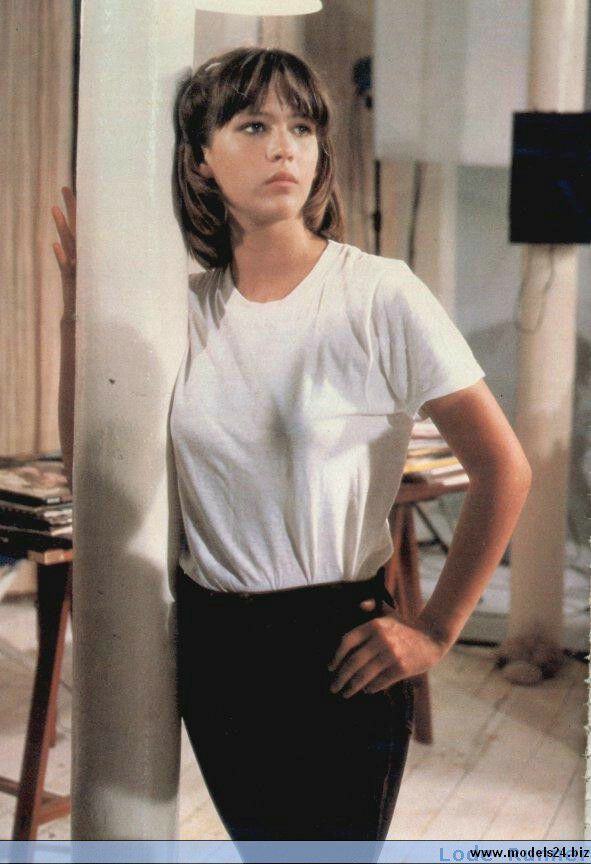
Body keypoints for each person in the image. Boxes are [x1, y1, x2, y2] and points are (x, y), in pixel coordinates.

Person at [52, 46, 531, 854]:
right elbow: (91, 470)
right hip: (214, 647)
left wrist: (436, 630)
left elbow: (503, 468)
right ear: (199, 160)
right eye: (253, 126)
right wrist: (77, 308)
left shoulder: (378, 293)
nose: (284, 147)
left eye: (301, 128)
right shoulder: (183, 308)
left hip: (336, 648)